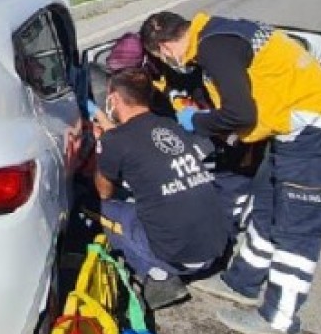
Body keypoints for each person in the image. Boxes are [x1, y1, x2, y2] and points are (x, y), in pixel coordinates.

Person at [141, 10, 321, 334]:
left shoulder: (214, 47)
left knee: (297, 229)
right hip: (292, 134)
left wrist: (196, 122)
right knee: (267, 207)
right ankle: (241, 282)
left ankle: (280, 318)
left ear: (165, 48)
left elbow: (240, 112)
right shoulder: (219, 34)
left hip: (320, 138)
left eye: (160, 57)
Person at [92, 68, 230, 309]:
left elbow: (104, 192)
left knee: (103, 209)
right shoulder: (171, 126)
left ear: (113, 99)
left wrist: (100, 147)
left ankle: (156, 274)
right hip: (216, 248)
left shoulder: (115, 142)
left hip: (180, 257)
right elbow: (138, 145)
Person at [104, 31, 261, 231]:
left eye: (129, 75)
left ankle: (236, 212)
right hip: (200, 144)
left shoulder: (188, 76)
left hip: (217, 149)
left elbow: (226, 118)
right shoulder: (157, 87)